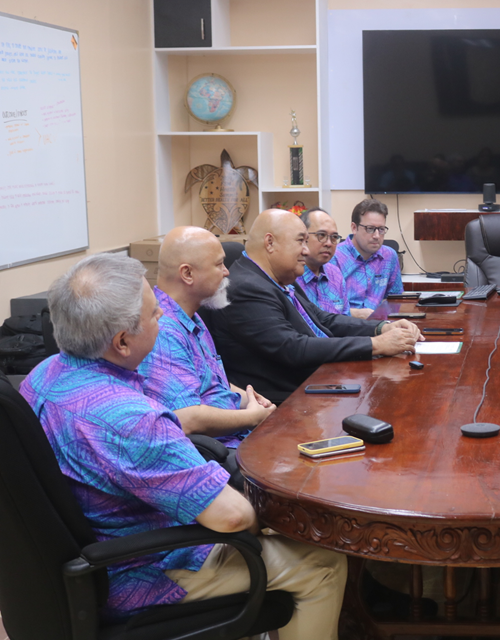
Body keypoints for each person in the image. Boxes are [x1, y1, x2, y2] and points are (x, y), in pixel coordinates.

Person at [20, 253, 347, 638]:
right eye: (155, 315)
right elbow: (232, 518)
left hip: (85, 554)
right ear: (122, 341)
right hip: (144, 571)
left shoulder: (44, 374)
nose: (163, 320)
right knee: (322, 560)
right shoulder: (130, 419)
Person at [203, 209, 421, 403]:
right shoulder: (245, 288)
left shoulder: (277, 279)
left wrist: (381, 328)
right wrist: (376, 344)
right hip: (291, 402)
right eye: (301, 241)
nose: (306, 251)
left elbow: (323, 319)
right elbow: (293, 348)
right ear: (270, 243)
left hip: (321, 383)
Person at [140, 226, 276, 480]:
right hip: (216, 456)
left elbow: (210, 382)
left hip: (234, 439)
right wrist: (249, 417)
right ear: (187, 274)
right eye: (219, 264)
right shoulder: (164, 332)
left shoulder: (191, 316)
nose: (227, 272)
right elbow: (188, 418)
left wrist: (249, 399)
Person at [331, 198, 403, 310]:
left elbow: (396, 300)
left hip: (380, 324)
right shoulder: (334, 257)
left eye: (381, 229)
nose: (377, 236)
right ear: (354, 228)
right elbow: (327, 309)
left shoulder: (389, 256)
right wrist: (357, 315)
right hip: (345, 324)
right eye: (370, 229)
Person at [296, 208, 368, 318]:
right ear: (303, 237)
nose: (329, 243)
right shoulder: (290, 277)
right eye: (321, 235)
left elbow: (345, 321)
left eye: (334, 237)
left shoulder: (334, 274)